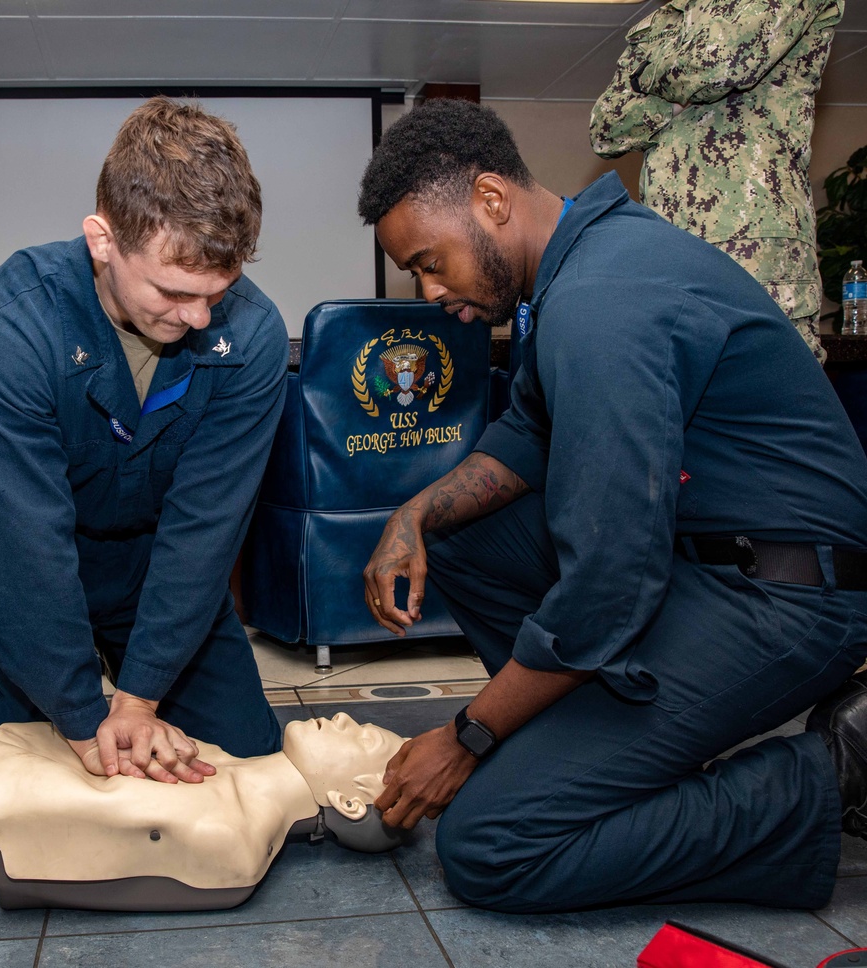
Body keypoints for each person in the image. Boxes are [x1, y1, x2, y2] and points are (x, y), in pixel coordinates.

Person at [355, 98, 867, 914]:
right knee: (466, 533)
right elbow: (529, 431)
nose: (430, 289)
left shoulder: (599, 304)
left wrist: (468, 736)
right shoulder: (579, 269)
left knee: (491, 847)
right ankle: (583, 750)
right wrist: (413, 515)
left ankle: (829, 774)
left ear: (491, 200)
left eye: (430, 260)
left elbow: (609, 583)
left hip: (789, 597)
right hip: (703, 565)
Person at [0, 97, 288, 781]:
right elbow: (22, 548)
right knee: (43, 808)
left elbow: (204, 527)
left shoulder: (251, 334)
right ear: (103, 241)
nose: (196, 318)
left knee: (251, 769)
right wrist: (79, 717)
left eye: (217, 292)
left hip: (158, 574)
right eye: (171, 290)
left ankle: (110, 671)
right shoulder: (2, 331)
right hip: (35, 573)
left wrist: (140, 697)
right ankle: (1, 678)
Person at [589, 0, 844, 364]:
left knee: (770, 400)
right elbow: (606, 128)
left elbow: (723, 63)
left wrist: (645, 73)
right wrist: (676, 97)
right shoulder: (669, 14)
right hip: (669, 251)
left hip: (755, 249)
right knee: (678, 403)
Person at [0, 713, 407, 910]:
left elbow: (20, 804)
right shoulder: (219, 758)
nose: (346, 716)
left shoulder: (232, 836)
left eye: (363, 740)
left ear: (348, 803)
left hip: (16, 775)